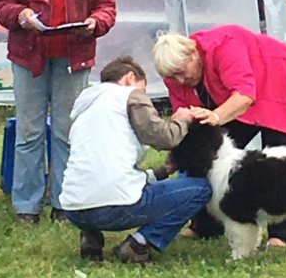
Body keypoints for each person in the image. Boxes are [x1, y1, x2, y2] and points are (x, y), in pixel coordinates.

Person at [0, 0, 116, 225]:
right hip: (29, 54)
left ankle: (66, 203)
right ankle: (26, 206)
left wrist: (95, 22)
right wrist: (20, 14)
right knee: (29, 131)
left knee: (67, 131)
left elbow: (106, 7)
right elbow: (3, 5)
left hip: (74, 56)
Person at [153, 24, 286, 247]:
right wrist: (178, 152)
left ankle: (283, 233)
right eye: (173, 77)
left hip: (282, 80)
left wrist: (216, 116)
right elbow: (186, 120)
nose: (179, 81)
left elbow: (244, 96)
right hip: (234, 98)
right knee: (204, 155)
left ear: (193, 53)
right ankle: (205, 224)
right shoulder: (175, 74)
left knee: (278, 158)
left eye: (182, 72)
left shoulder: (225, 45)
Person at [60, 57, 212, 265]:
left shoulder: (84, 104)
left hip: (73, 208)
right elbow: (165, 137)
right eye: (144, 89)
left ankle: (90, 236)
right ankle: (138, 245)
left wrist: (165, 170)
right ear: (131, 78)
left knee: (94, 174)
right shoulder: (129, 95)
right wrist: (182, 118)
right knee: (201, 188)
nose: (145, 96)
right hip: (114, 207)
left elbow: (113, 168)